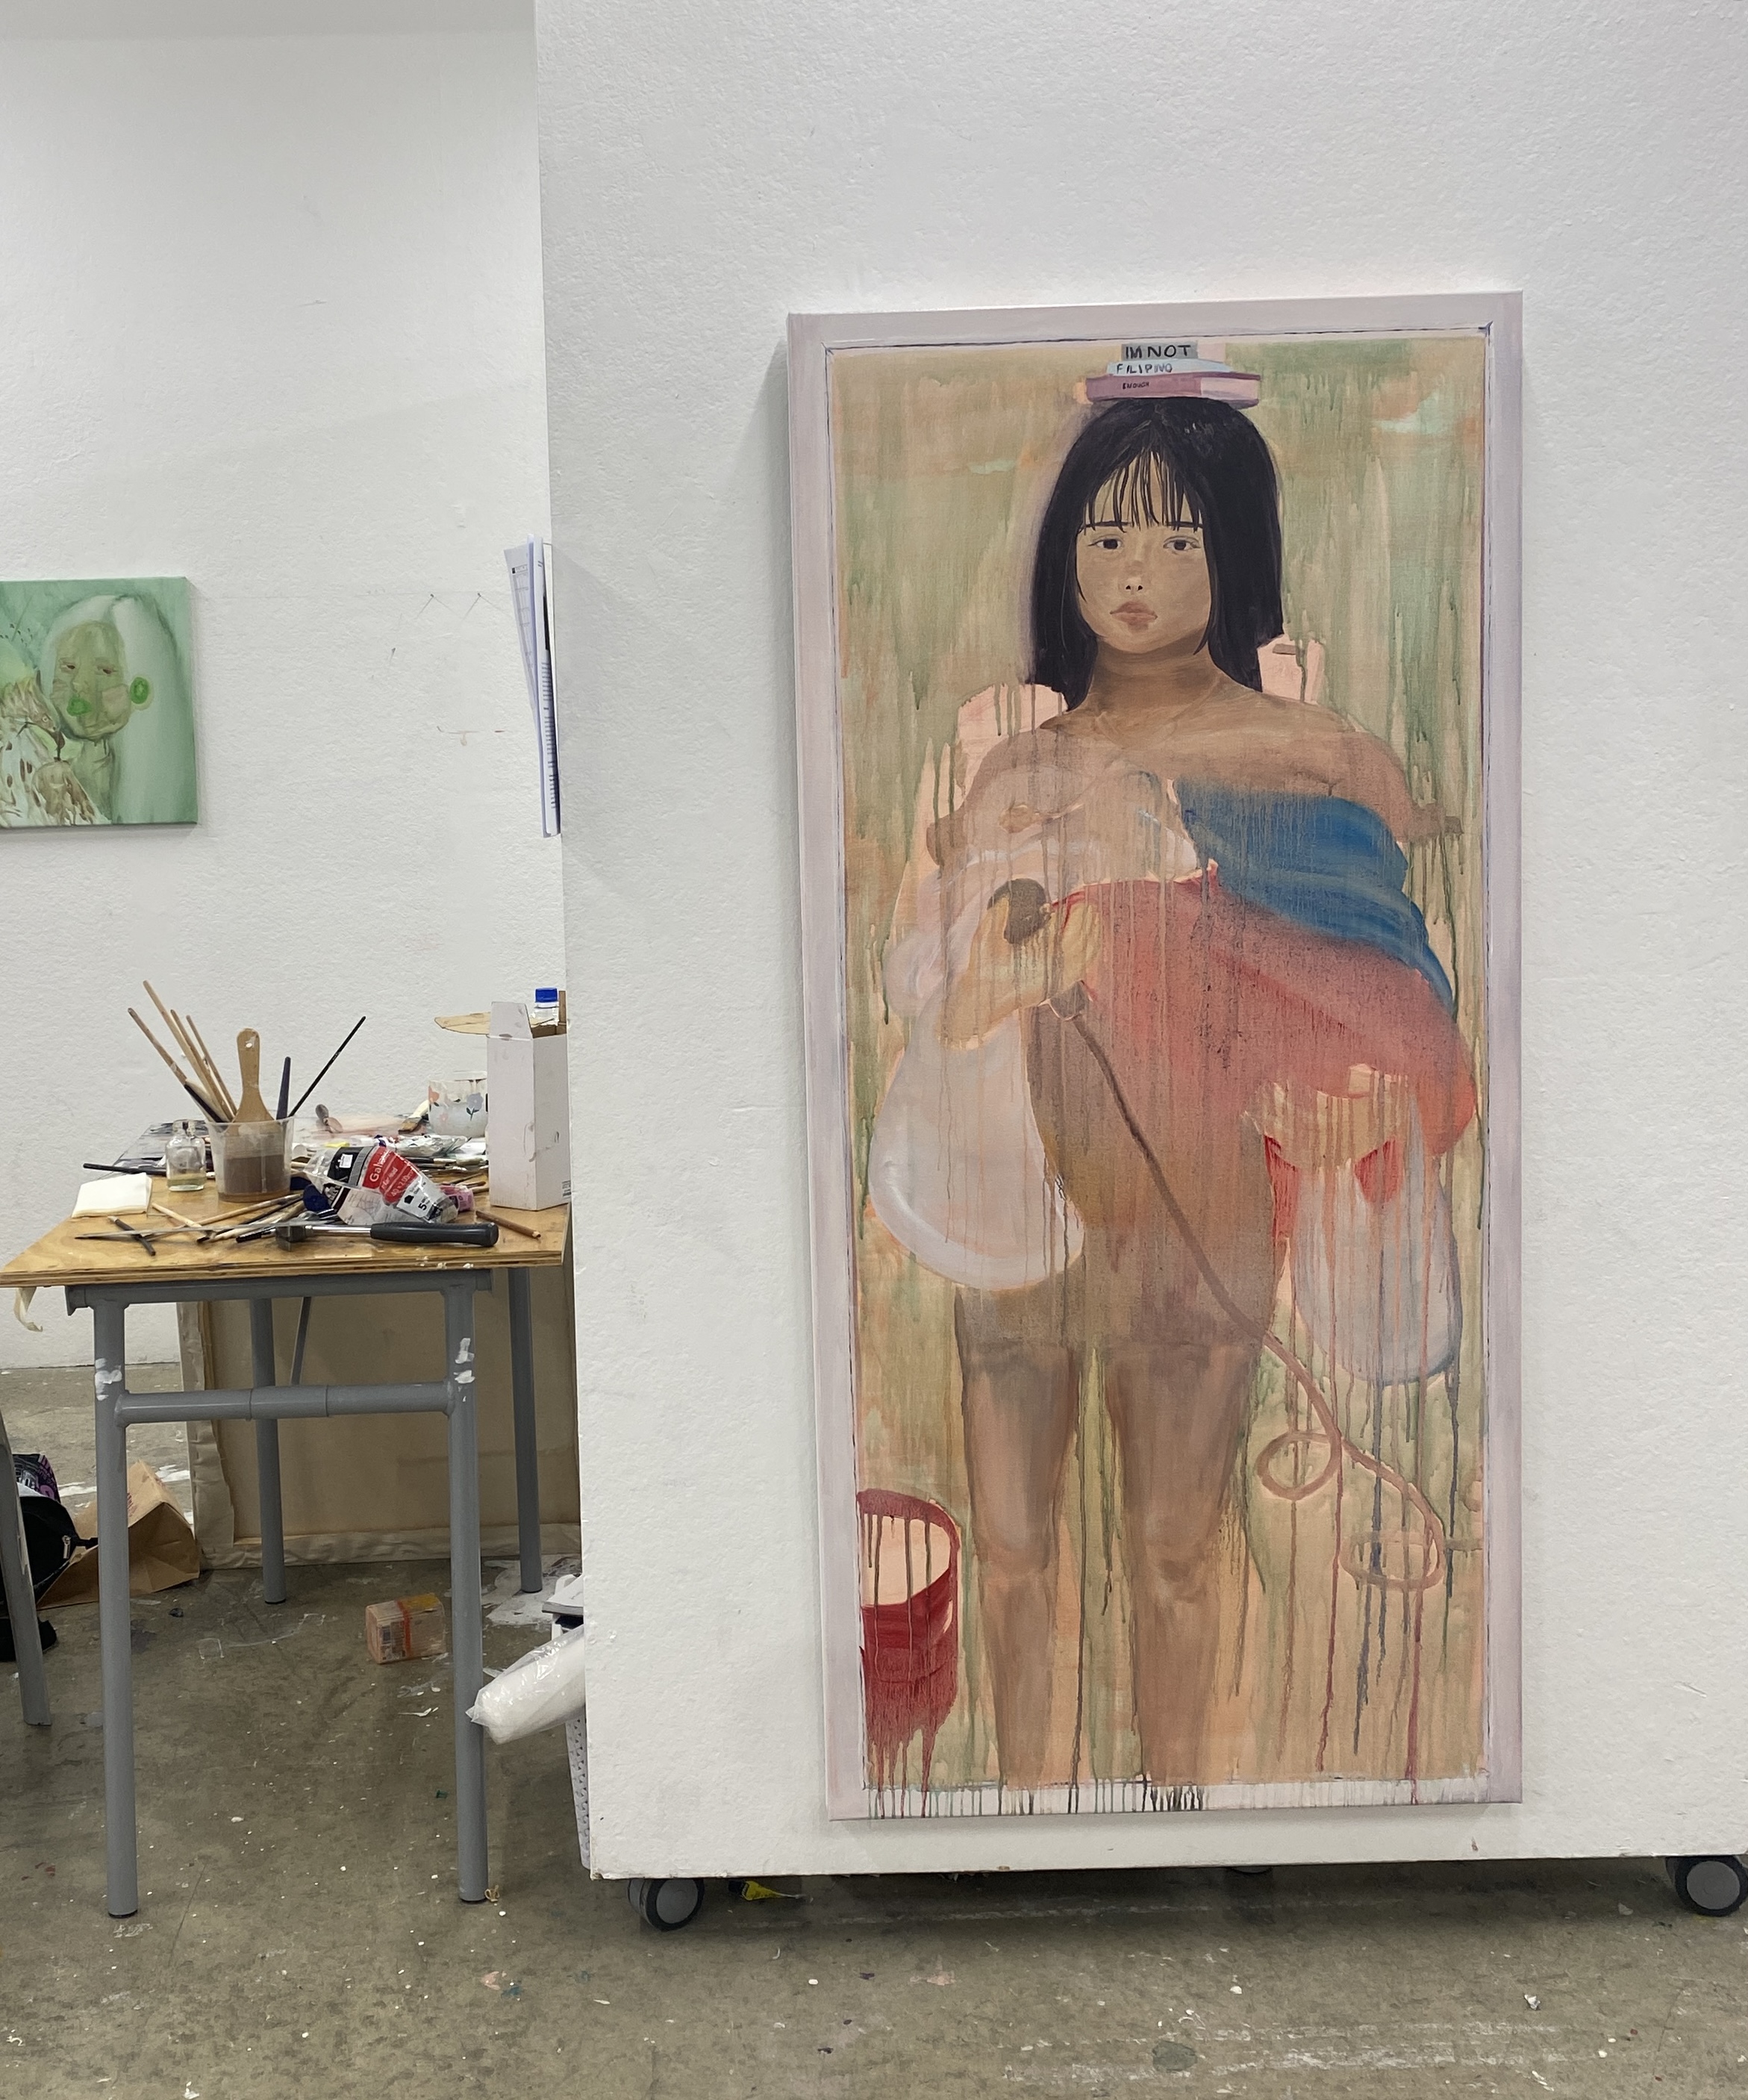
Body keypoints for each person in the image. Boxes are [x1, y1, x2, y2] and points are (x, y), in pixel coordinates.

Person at [870, 396, 1475, 1790]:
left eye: (1174, 537)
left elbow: (1399, 989)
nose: (1132, 570)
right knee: (1010, 1548)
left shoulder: (1318, 759)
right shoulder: (1018, 767)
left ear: (1234, 552)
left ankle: (1184, 1811)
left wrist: (1369, 1107)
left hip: (1202, 1212)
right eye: (1103, 536)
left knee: (1176, 1550)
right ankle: (1028, 1814)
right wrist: (994, 983)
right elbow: (931, 991)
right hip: (1025, 1208)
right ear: (1064, 562)